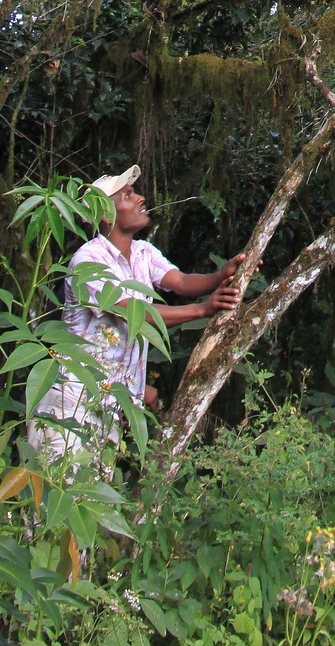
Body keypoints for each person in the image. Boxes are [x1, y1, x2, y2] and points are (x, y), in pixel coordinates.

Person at [29, 165, 242, 468]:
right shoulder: (87, 262)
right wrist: (204, 309)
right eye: (128, 195)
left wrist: (222, 275)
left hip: (108, 409)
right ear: (105, 215)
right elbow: (134, 313)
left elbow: (180, 281)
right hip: (71, 406)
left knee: (90, 505)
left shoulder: (143, 253)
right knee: (54, 504)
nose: (141, 197)